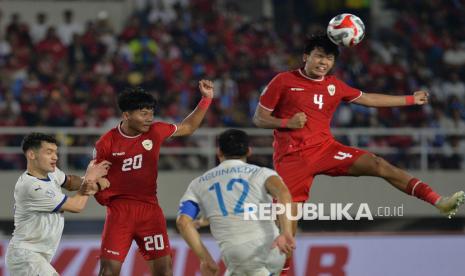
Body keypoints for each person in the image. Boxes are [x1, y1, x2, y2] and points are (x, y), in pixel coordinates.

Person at [253, 34, 465, 273]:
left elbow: (368, 98)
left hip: (326, 149)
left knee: (377, 164)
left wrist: (410, 99)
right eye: (319, 56)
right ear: (306, 57)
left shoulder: (335, 85)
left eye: (329, 58)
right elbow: (259, 118)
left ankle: (439, 201)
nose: (323, 62)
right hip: (293, 159)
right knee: (287, 233)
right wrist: (288, 122)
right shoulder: (283, 81)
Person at [94, 80, 214, 276]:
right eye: (143, 113)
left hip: (150, 212)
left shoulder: (156, 131)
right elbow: (94, 179)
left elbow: (188, 127)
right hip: (119, 212)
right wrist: (99, 190)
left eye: (151, 112)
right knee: (108, 271)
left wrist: (206, 99)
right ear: (126, 115)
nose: (149, 118)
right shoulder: (106, 143)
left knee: (164, 271)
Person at [176, 129, 295, 276]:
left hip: (241, 255)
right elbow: (284, 194)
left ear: (219, 151)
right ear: (249, 151)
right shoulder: (263, 173)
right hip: (275, 247)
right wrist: (286, 232)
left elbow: (183, 222)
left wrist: (205, 259)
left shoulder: (199, 183)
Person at [5, 132, 110, 275]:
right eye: (49, 152)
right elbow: (76, 206)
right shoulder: (32, 187)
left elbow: (71, 183)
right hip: (26, 256)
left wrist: (91, 178)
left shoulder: (51, 173)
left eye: (55, 152)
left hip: (37, 256)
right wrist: (92, 178)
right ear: (31, 155)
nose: (55, 157)